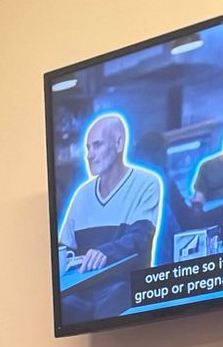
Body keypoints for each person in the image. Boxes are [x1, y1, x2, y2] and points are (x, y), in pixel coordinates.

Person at [58, 113, 163, 321]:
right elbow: (64, 248)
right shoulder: (82, 194)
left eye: (97, 145)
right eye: (88, 148)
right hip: (83, 291)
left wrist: (105, 252)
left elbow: (139, 238)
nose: (89, 155)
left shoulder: (146, 183)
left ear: (118, 143)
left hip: (126, 286)